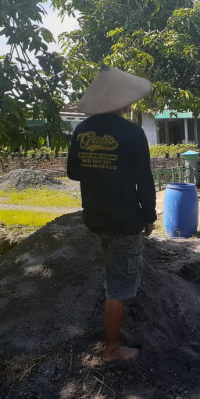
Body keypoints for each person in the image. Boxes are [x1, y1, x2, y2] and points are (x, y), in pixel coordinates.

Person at [67, 65, 156, 362]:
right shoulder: (131, 133)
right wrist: (149, 214)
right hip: (124, 218)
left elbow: (73, 172)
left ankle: (110, 314)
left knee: (111, 266)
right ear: (122, 100)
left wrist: (100, 169)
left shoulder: (82, 130)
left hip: (96, 216)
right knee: (120, 286)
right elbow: (144, 178)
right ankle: (112, 349)